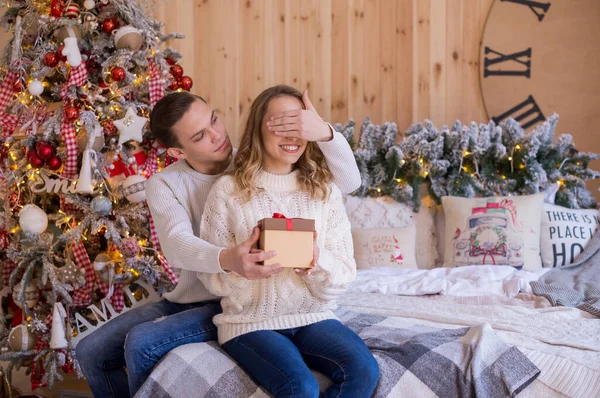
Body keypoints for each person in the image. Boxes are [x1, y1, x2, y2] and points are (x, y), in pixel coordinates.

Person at [75, 89, 361, 397]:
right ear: (177, 152)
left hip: (244, 299)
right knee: (90, 351)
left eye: (214, 120)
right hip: (195, 295)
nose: (217, 135)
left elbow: (344, 184)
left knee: (143, 343)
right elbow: (176, 243)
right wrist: (229, 259)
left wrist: (326, 134)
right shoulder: (165, 183)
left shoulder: (252, 160)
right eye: (200, 136)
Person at [198, 85, 379, 398]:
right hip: (250, 323)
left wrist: (316, 260)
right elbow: (212, 279)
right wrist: (241, 268)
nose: (292, 135)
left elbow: (345, 273)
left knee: (363, 370)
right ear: (259, 129)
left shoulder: (324, 191)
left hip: (315, 316)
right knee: (300, 388)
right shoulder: (228, 191)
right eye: (280, 124)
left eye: (298, 125)